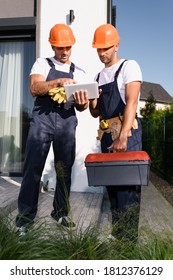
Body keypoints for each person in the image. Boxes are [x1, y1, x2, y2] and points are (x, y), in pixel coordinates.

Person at [15, 23, 88, 234]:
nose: (64, 52)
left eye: (67, 47)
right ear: (52, 46)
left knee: (64, 171)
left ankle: (61, 213)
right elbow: (34, 88)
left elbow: (82, 107)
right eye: (59, 48)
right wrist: (57, 82)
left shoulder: (80, 72)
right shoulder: (42, 64)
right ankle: (24, 219)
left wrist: (83, 102)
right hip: (42, 121)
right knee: (33, 169)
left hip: (66, 122)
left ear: (72, 45)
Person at [89, 24, 143, 240]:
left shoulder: (130, 67)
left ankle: (129, 242)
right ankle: (117, 234)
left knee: (127, 188)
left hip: (126, 132)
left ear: (117, 45)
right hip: (106, 135)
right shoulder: (98, 76)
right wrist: (91, 100)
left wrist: (123, 135)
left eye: (107, 48)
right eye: (99, 49)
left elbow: (131, 102)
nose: (102, 53)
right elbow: (95, 112)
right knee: (112, 187)